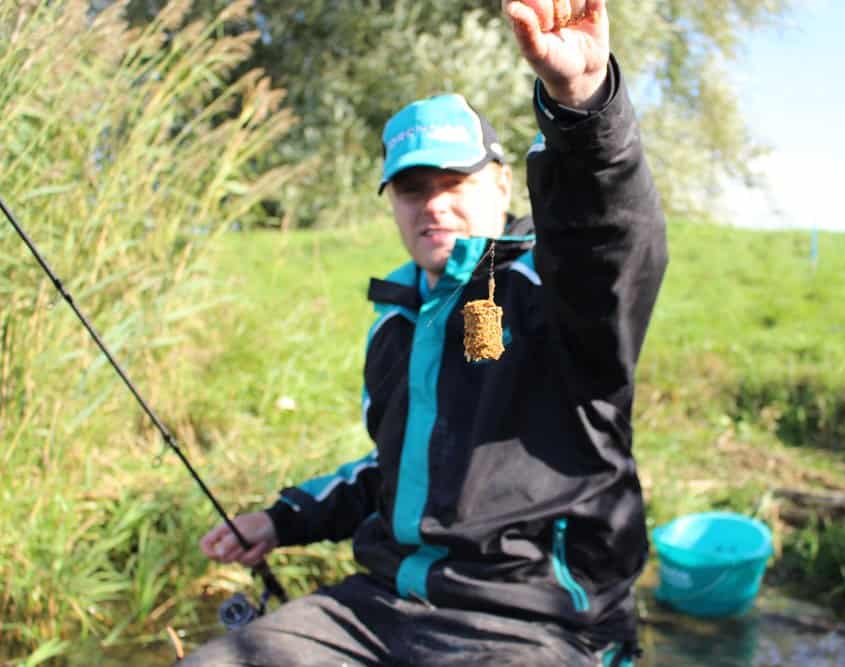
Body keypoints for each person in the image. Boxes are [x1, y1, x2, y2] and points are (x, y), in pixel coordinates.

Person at [179, 0, 667, 664]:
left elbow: (611, 239)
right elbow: (394, 466)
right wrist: (282, 518)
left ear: (499, 183)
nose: (434, 204)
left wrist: (582, 99)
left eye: (454, 181)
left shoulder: (554, 286)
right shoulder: (396, 318)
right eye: (412, 188)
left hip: (534, 620)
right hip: (383, 603)